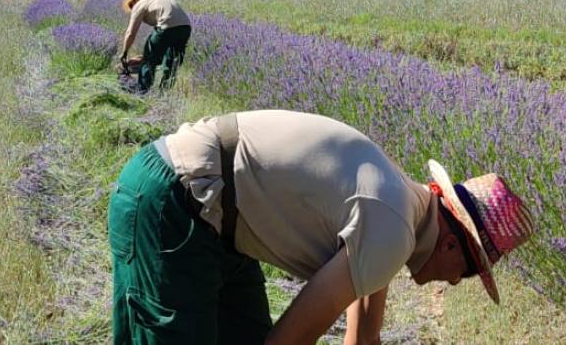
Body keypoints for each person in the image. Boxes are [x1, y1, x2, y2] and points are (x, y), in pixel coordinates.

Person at [107, 109, 534, 344]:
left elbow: (364, 335)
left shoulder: (401, 208)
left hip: (219, 219)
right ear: (451, 247)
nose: (457, 283)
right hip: (175, 198)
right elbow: (293, 338)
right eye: (468, 272)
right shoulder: (392, 227)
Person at [119, 0, 192, 93]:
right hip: (185, 28)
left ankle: (142, 92)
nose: (131, 8)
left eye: (131, 5)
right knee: (172, 63)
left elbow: (130, 33)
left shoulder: (139, 5)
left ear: (133, 1)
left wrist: (124, 53)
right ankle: (164, 93)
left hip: (167, 26)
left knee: (149, 61)